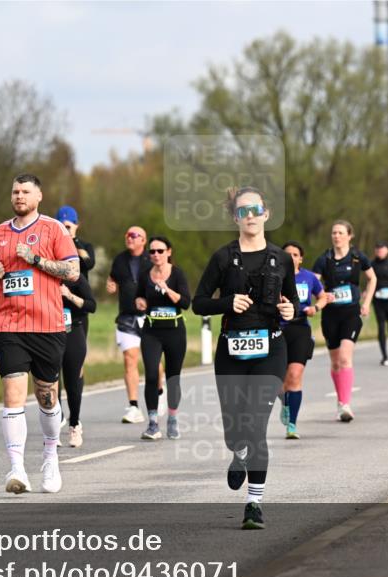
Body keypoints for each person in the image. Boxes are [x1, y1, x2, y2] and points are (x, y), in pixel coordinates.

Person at [192, 186, 298, 529]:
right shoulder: (223, 258)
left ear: (266, 213)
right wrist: (228, 303)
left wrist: (289, 308)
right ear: (234, 217)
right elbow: (199, 303)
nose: (249, 216)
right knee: (234, 430)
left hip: (271, 348)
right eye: (242, 211)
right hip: (232, 350)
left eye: (255, 210)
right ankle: (237, 454)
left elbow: (292, 302)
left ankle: (254, 503)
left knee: (255, 424)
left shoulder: (281, 258)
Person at [0, 174, 79, 495]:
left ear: (39, 196)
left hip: (47, 325)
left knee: (46, 396)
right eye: (15, 191)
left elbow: (73, 270)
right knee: (12, 393)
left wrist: (36, 259)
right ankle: (17, 469)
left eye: (26, 191)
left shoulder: (53, 229)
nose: (19, 196)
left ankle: (51, 457)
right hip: (8, 325)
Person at [312, 220, 376, 422]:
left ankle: (345, 404)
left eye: (340, 232)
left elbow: (372, 278)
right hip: (331, 315)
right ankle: (340, 401)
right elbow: (313, 284)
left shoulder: (357, 257)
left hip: (351, 312)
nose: (336, 236)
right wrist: (322, 296)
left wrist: (366, 302)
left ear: (349, 235)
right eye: (334, 233)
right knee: (335, 362)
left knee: (345, 359)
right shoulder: (324, 259)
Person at [134, 235, 191, 440]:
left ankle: (173, 419)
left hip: (175, 331)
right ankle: (152, 423)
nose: (156, 255)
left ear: (169, 252)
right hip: (151, 331)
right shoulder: (144, 274)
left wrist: (166, 289)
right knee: (151, 375)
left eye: (160, 251)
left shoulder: (177, 274)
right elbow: (139, 296)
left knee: (173, 378)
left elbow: (185, 303)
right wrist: (140, 302)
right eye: (152, 251)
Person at [279, 241, 326, 439]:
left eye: (295, 254)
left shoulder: (308, 277)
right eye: (287, 254)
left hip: (300, 328)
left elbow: (322, 296)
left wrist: (315, 308)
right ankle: (284, 402)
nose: (291, 257)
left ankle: (292, 425)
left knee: (295, 375)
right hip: (278, 329)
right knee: (279, 380)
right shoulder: (273, 276)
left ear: (301, 258)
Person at [106, 226, 152, 423]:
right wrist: (111, 285)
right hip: (126, 317)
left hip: (149, 317)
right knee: (130, 359)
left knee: (153, 361)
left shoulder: (152, 259)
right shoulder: (120, 259)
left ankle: (159, 389)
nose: (130, 238)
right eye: (127, 235)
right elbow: (112, 278)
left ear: (144, 240)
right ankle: (134, 406)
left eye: (135, 235)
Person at [59, 273, 96, 447]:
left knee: (72, 381)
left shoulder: (75, 278)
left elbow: (91, 305)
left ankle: (74, 423)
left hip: (73, 330)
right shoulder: (41, 275)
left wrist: (69, 295)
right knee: (49, 381)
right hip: (49, 334)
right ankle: (54, 424)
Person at [56, 206, 96, 280]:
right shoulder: (54, 245)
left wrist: (74, 239)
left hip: (79, 288)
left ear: (76, 225)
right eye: (62, 226)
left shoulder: (86, 246)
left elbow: (89, 264)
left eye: (68, 227)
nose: (65, 229)